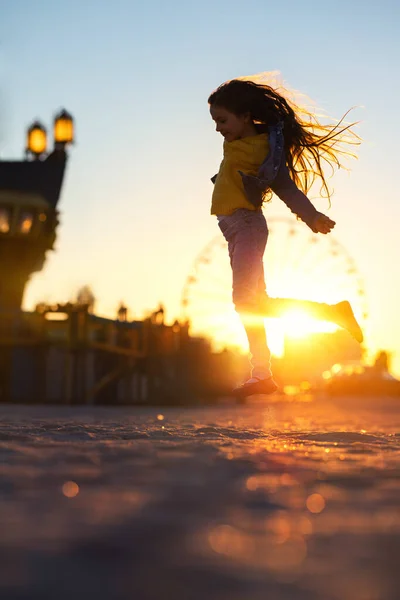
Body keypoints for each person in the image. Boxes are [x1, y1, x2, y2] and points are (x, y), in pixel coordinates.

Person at [208, 75, 363, 397]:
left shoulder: (266, 151)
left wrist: (311, 216)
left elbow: (285, 187)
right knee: (254, 302)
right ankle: (264, 372)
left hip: (247, 226)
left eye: (222, 120)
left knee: (245, 302)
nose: (218, 128)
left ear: (245, 116)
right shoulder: (234, 142)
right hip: (234, 230)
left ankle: (264, 371)